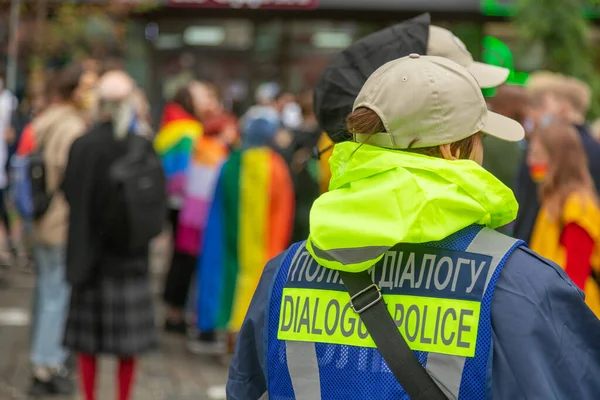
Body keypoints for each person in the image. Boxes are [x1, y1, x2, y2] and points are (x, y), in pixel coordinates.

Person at [227, 55, 600, 399]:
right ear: (453, 151)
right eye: (479, 139)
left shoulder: (285, 272)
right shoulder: (520, 284)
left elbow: (245, 387)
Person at [62, 70, 158, 400]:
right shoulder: (142, 146)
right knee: (127, 348)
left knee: (87, 345)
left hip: (89, 258)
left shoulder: (82, 145)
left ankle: (88, 397)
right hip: (130, 260)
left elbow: (69, 193)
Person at [194, 105, 294, 355]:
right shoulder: (275, 167)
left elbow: (217, 213)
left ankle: (229, 337)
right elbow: (283, 212)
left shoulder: (231, 165)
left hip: (230, 248)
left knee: (229, 281)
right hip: (264, 251)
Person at [28, 64, 86, 397]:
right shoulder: (71, 127)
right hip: (60, 220)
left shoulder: (43, 121)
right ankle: (46, 363)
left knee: (44, 291)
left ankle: (42, 356)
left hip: (39, 217)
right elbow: (70, 175)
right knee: (56, 295)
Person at [513, 72, 600, 243]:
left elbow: (527, 202)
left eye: (541, 106)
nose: (534, 114)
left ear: (564, 108)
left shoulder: (547, 146)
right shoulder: (595, 147)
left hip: (548, 245)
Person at [528, 121, 600, 317]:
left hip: (572, 315)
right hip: (551, 307)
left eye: (537, 154)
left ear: (557, 159)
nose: (530, 161)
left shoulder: (577, 205)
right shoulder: (553, 200)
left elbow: (576, 277)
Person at [156, 84, 202, 334]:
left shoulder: (167, 127)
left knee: (176, 255)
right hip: (189, 203)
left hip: (169, 200)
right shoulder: (190, 129)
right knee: (185, 257)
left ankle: (171, 309)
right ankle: (176, 312)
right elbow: (187, 171)